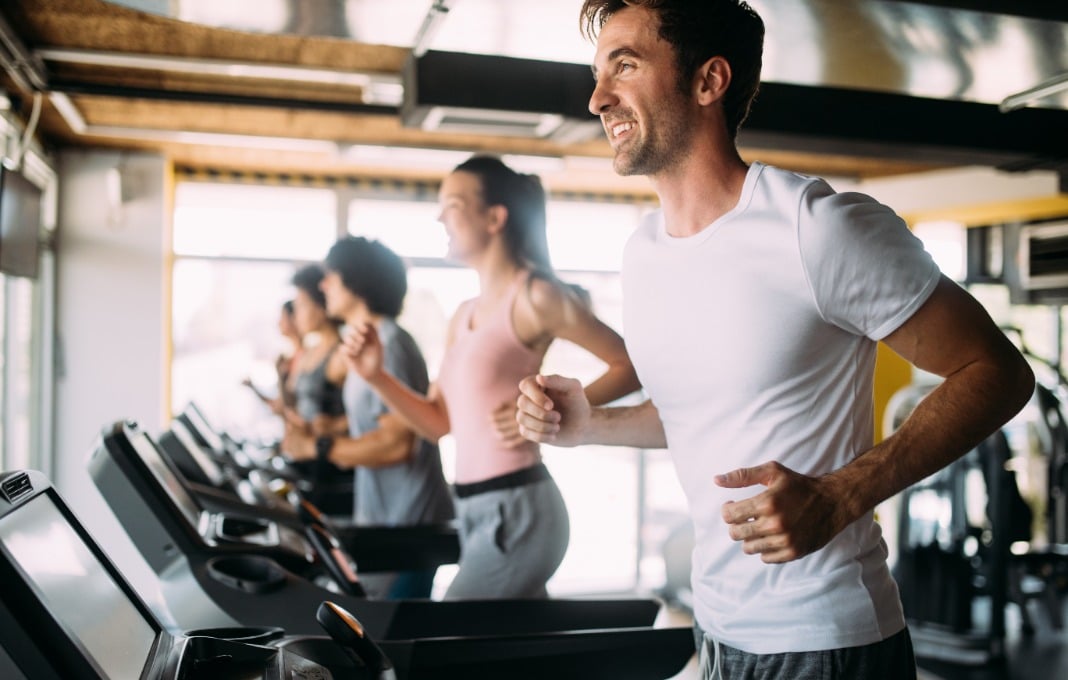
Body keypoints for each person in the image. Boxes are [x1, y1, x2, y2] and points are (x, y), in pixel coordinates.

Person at [514, 1, 1035, 678]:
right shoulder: (643, 254)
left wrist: (843, 495)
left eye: (626, 66)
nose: (597, 98)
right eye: (598, 73)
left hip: (826, 639)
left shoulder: (815, 228)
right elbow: (699, 418)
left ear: (708, 81)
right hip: (717, 631)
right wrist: (588, 424)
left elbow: (997, 371)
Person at [344, 155, 641, 599]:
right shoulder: (462, 315)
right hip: (472, 508)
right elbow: (437, 423)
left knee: (452, 629)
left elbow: (629, 365)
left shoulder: (535, 296)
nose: (439, 218)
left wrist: (555, 412)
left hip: (519, 508)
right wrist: (376, 377)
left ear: (495, 218)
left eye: (453, 205)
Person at [283, 236, 454, 599]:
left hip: (408, 522)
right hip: (385, 514)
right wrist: (331, 427)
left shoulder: (389, 344)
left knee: (396, 626)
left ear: (356, 283)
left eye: (331, 277)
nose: (323, 286)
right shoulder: (366, 342)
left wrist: (317, 447)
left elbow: (397, 445)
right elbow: (380, 417)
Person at [243, 299, 303, 415]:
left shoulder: (303, 358)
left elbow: (284, 408)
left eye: (283, 317)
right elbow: (278, 406)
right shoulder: (288, 359)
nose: (279, 323)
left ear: (294, 319)